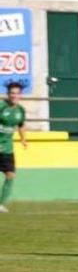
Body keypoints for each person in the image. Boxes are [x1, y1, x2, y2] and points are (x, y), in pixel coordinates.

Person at [0, 82, 27, 213]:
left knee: (10, 175)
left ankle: (1, 204)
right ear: (8, 94)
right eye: (12, 93)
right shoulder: (1, 106)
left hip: (7, 149)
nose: (14, 96)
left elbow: (21, 125)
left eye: (17, 93)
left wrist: (23, 139)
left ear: (20, 95)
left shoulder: (20, 110)